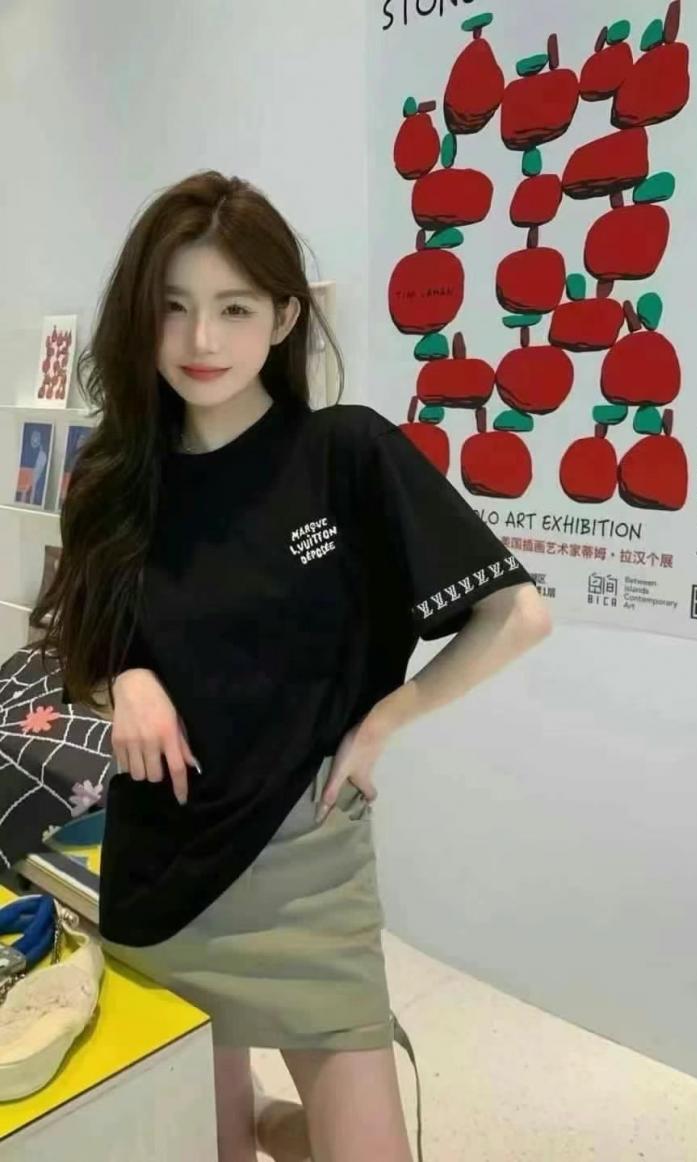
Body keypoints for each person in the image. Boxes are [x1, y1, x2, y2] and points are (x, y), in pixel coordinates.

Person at [36, 170, 552, 1162]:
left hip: (306, 867)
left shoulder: (342, 453)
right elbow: (85, 653)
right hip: (162, 870)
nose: (200, 339)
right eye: (174, 307)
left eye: (234, 308)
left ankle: (273, 1121)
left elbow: (516, 615)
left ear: (282, 318)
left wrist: (383, 722)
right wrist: (125, 682)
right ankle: (256, 1124)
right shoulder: (113, 476)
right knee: (210, 1146)